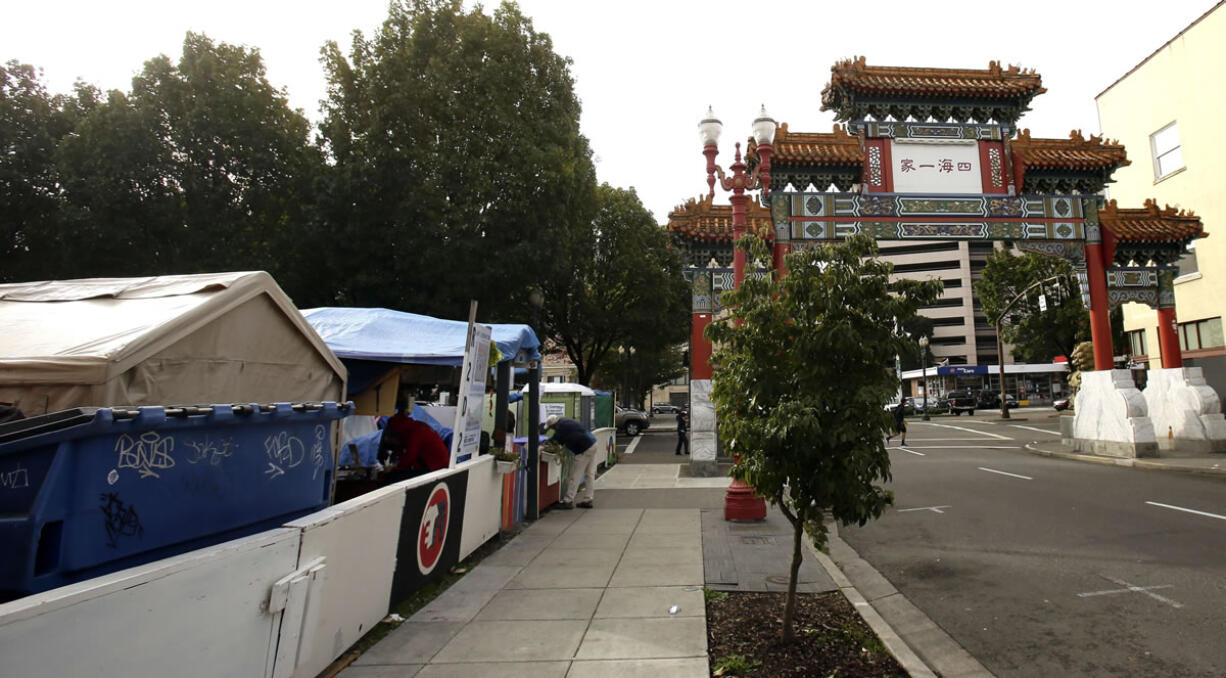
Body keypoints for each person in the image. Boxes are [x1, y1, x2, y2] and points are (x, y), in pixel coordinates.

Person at [379, 398, 451, 483]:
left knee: (394, 477)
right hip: (431, 466)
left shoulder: (416, 433)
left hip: (437, 470)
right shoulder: (414, 427)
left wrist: (392, 469)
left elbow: (409, 458)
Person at [543, 414, 598, 510]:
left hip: (584, 448)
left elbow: (554, 440)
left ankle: (568, 500)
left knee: (575, 475)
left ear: (553, 425)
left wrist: (541, 444)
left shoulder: (561, 427)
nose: (552, 430)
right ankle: (588, 499)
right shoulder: (567, 421)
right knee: (589, 474)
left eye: (551, 428)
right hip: (593, 443)